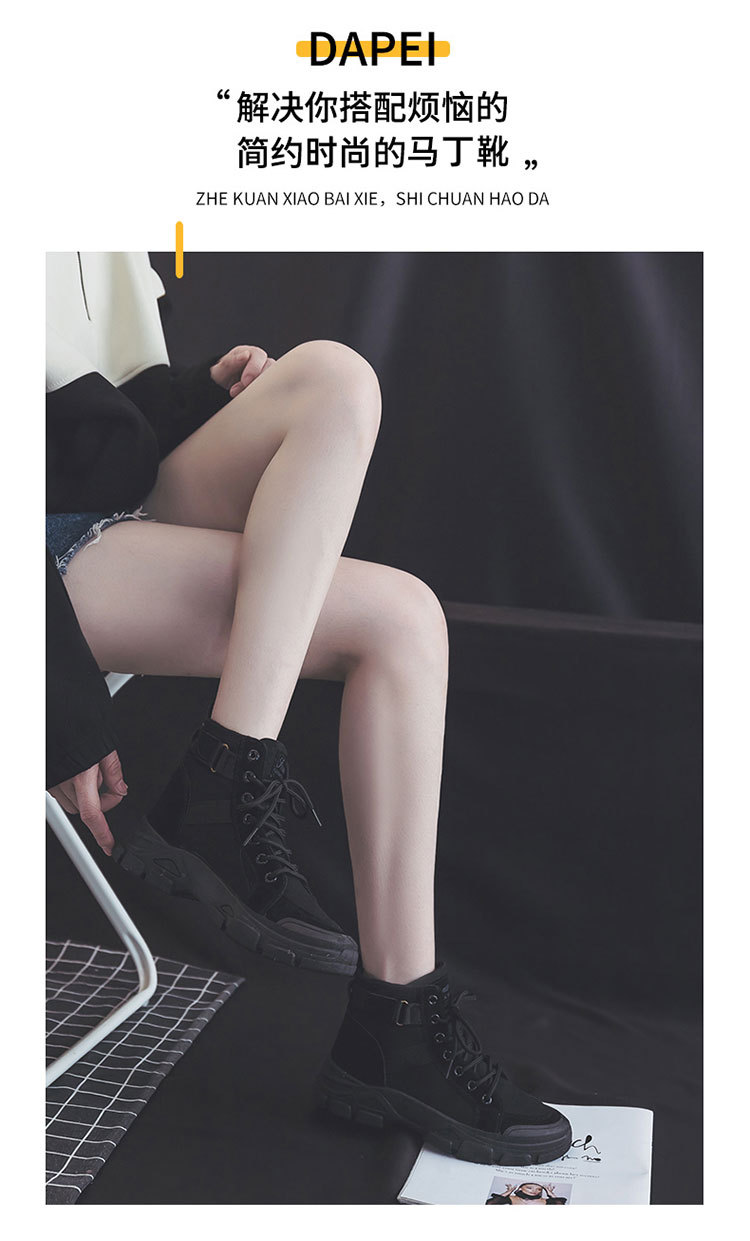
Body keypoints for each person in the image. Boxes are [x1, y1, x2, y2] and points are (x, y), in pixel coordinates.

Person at [46, 251, 572, 1166]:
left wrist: (195, 396)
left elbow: (84, 414)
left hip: (102, 499)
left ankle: (393, 1017)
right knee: (398, 624)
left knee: (337, 380)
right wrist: (52, 699)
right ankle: (224, 788)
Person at [486, 1182, 568, 1205]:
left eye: (539, 1189)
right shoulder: (511, 1198)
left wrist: (551, 1194)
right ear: (520, 1189)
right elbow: (490, 1204)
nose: (534, 1191)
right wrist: (508, 1192)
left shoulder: (545, 1201)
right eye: (529, 1188)